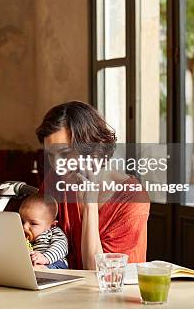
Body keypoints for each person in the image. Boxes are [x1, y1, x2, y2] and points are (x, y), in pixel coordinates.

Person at [36, 101, 150, 270]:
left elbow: (99, 273)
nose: (57, 165)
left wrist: (90, 204)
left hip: (111, 293)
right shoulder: (56, 179)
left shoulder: (132, 198)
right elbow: (37, 238)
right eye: (51, 155)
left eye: (66, 154)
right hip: (61, 289)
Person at [19, 194, 69, 269]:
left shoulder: (54, 232)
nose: (25, 227)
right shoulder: (21, 235)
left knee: (41, 267)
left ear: (51, 225)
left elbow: (60, 247)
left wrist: (45, 258)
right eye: (22, 221)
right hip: (32, 263)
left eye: (33, 223)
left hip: (54, 263)